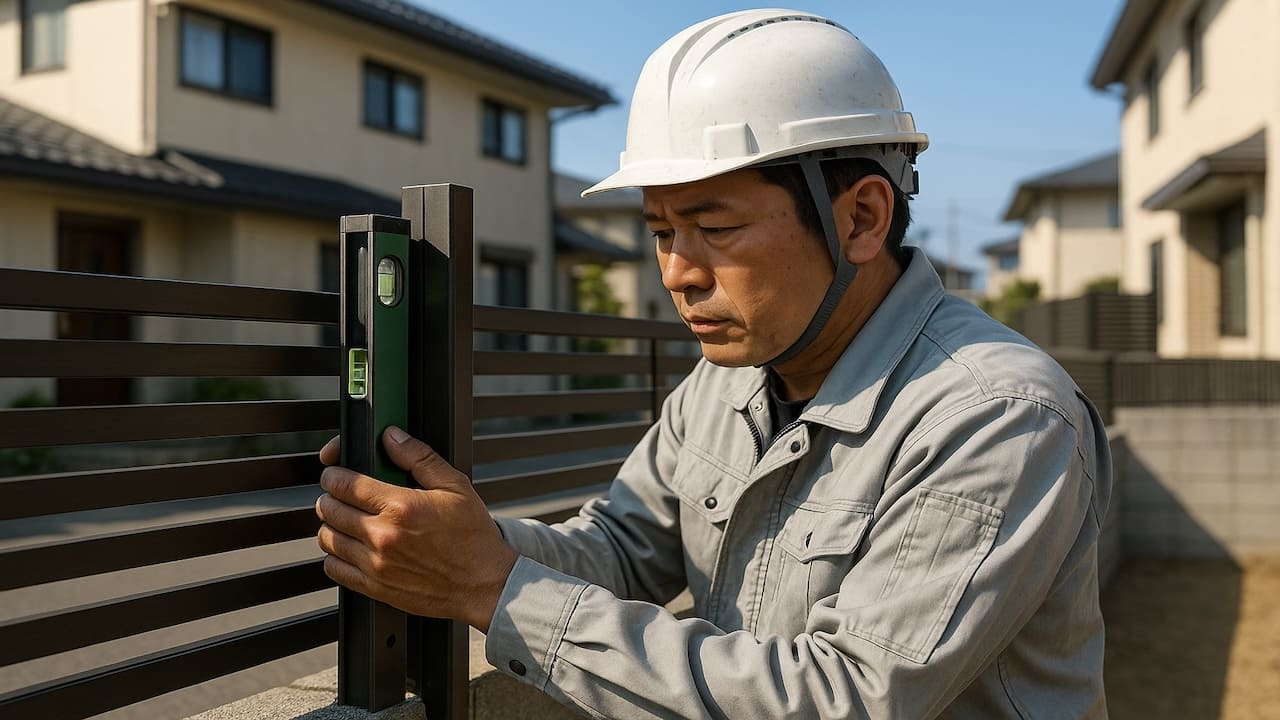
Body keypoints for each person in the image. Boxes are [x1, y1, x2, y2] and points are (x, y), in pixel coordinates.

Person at [315, 9, 1112, 718]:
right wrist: (454, 536)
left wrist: (492, 587)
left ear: (861, 217)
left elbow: (848, 699)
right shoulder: (728, 379)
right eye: (662, 232)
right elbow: (622, 553)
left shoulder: (994, 416)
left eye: (715, 229)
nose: (676, 272)